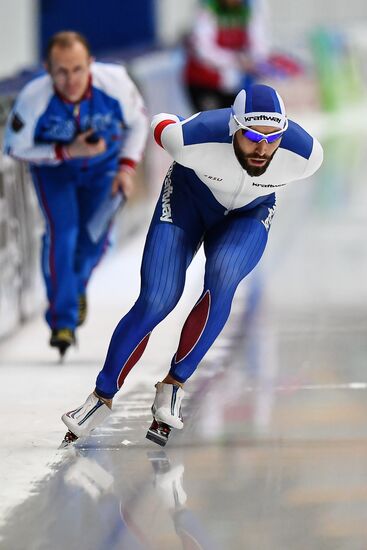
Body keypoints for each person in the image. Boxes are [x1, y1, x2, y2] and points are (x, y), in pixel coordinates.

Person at [61, 83, 323, 446]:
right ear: (233, 127)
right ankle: (101, 396)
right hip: (187, 200)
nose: (263, 149)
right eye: (251, 136)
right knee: (158, 298)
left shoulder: (306, 155)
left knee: (224, 275)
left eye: (273, 137)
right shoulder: (191, 140)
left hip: (249, 213)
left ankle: (175, 383)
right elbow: (160, 121)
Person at [4, 31, 148, 356]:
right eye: (62, 72)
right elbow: (13, 147)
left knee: (95, 239)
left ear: (90, 64)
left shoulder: (115, 84)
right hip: (56, 173)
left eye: (78, 70)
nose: (71, 80)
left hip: (104, 171)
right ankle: (63, 321)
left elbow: (139, 125)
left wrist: (126, 168)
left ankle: (74, 288)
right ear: (48, 70)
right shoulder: (34, 97)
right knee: (63, 235)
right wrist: (66, 152)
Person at [184, 0, 270, 112]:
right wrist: (236, 60)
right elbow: (203, 50)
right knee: (212, 124)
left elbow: (259, 43)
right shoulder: (208, 6)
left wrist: (254, 59)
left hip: (236, 82)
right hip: (205, 82)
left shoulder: (251, 6)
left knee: (238, 122)